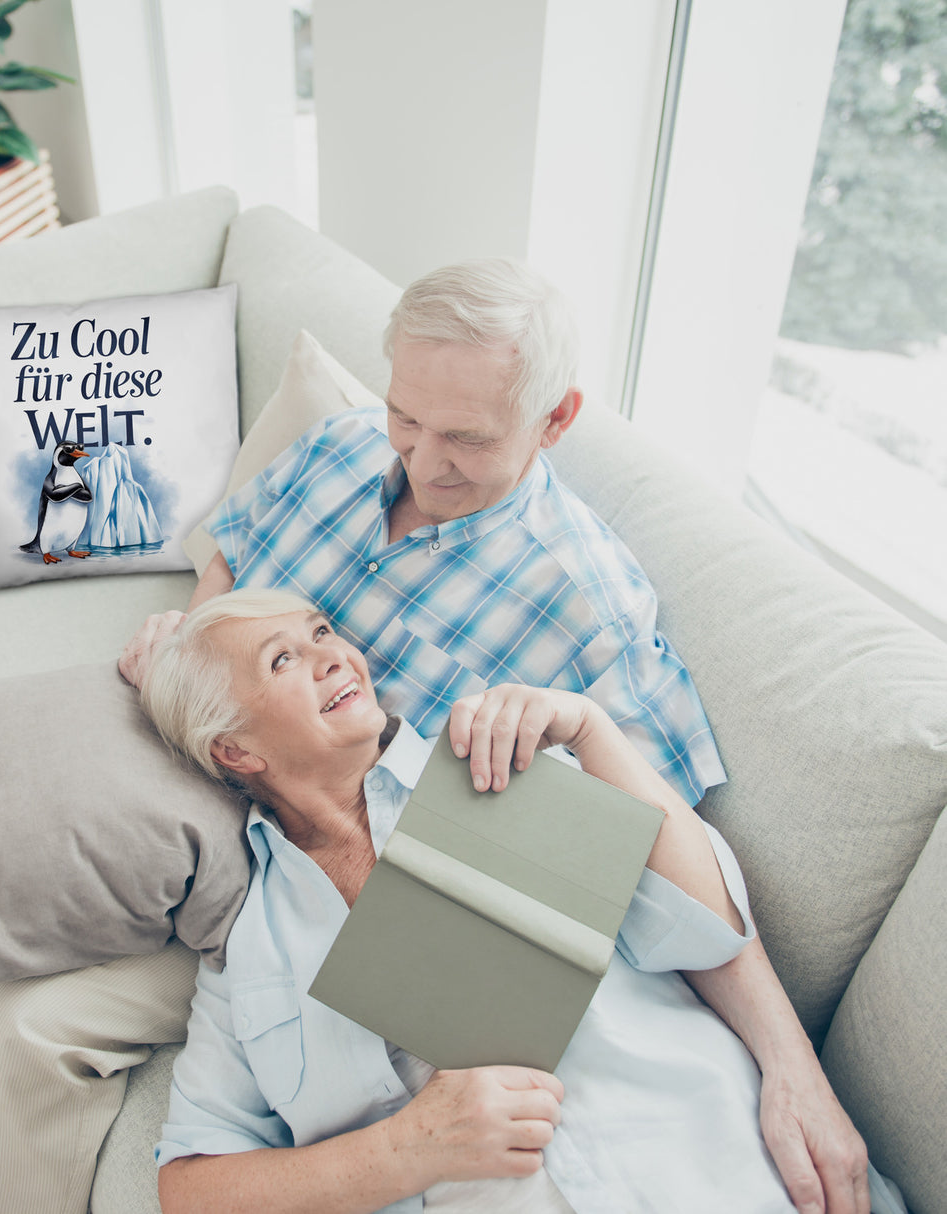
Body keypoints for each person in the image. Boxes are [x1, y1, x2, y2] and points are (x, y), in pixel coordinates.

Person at [122, 259, 869, 1213]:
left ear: (555, 420)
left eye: (465, 438)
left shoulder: (563, 662)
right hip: (224, 835)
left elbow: (678, 886)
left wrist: (791, 1068)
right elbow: (233, 551)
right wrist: (194, 658)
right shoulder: (341, 450)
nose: (422, 462)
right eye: (407, 418)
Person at [140, 589, 893, 1214]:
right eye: (283, 659)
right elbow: (191, 1188)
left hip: (717, 1166)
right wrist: (407, 1149)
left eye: (322, 632)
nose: (334, 655)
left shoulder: (495, 762)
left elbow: (705, 929)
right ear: (235, 750)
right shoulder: (249, 951)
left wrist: (592, 730)